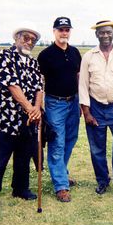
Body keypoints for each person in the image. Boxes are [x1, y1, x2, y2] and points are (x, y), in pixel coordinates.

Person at [0, 26, 43, 213]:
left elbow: (39, 86)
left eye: (33, 40)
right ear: (16, 38)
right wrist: (30, 108)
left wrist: (37, 109)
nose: (29, 42)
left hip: (27, 121)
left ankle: (20, 189)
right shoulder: (4, 56)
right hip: (4, 120)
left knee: (23, 158)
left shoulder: (33, 63)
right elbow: (12, 86)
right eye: (26, 38)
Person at [79, 20, 113, 202]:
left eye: (108, 32)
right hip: (95, 107)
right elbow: (83, 86)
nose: (105, 35)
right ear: (96, 35)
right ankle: (102, 181)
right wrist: (86, 113)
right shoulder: (88, 56)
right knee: (97, 149)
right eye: (101, 33)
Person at [37, 17, 81, 202]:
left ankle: (61, 173)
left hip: (73, 102)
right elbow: (38, 83)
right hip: (55, 103)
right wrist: (38, 106)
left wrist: (81, 102)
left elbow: (79, 76)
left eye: (67, 29)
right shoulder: (45, 55)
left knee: (70, 139)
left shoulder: (75, 52)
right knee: (57, 143)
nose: (64, 33)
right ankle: (61, 186)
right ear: (54, 31)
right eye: (61, 29)